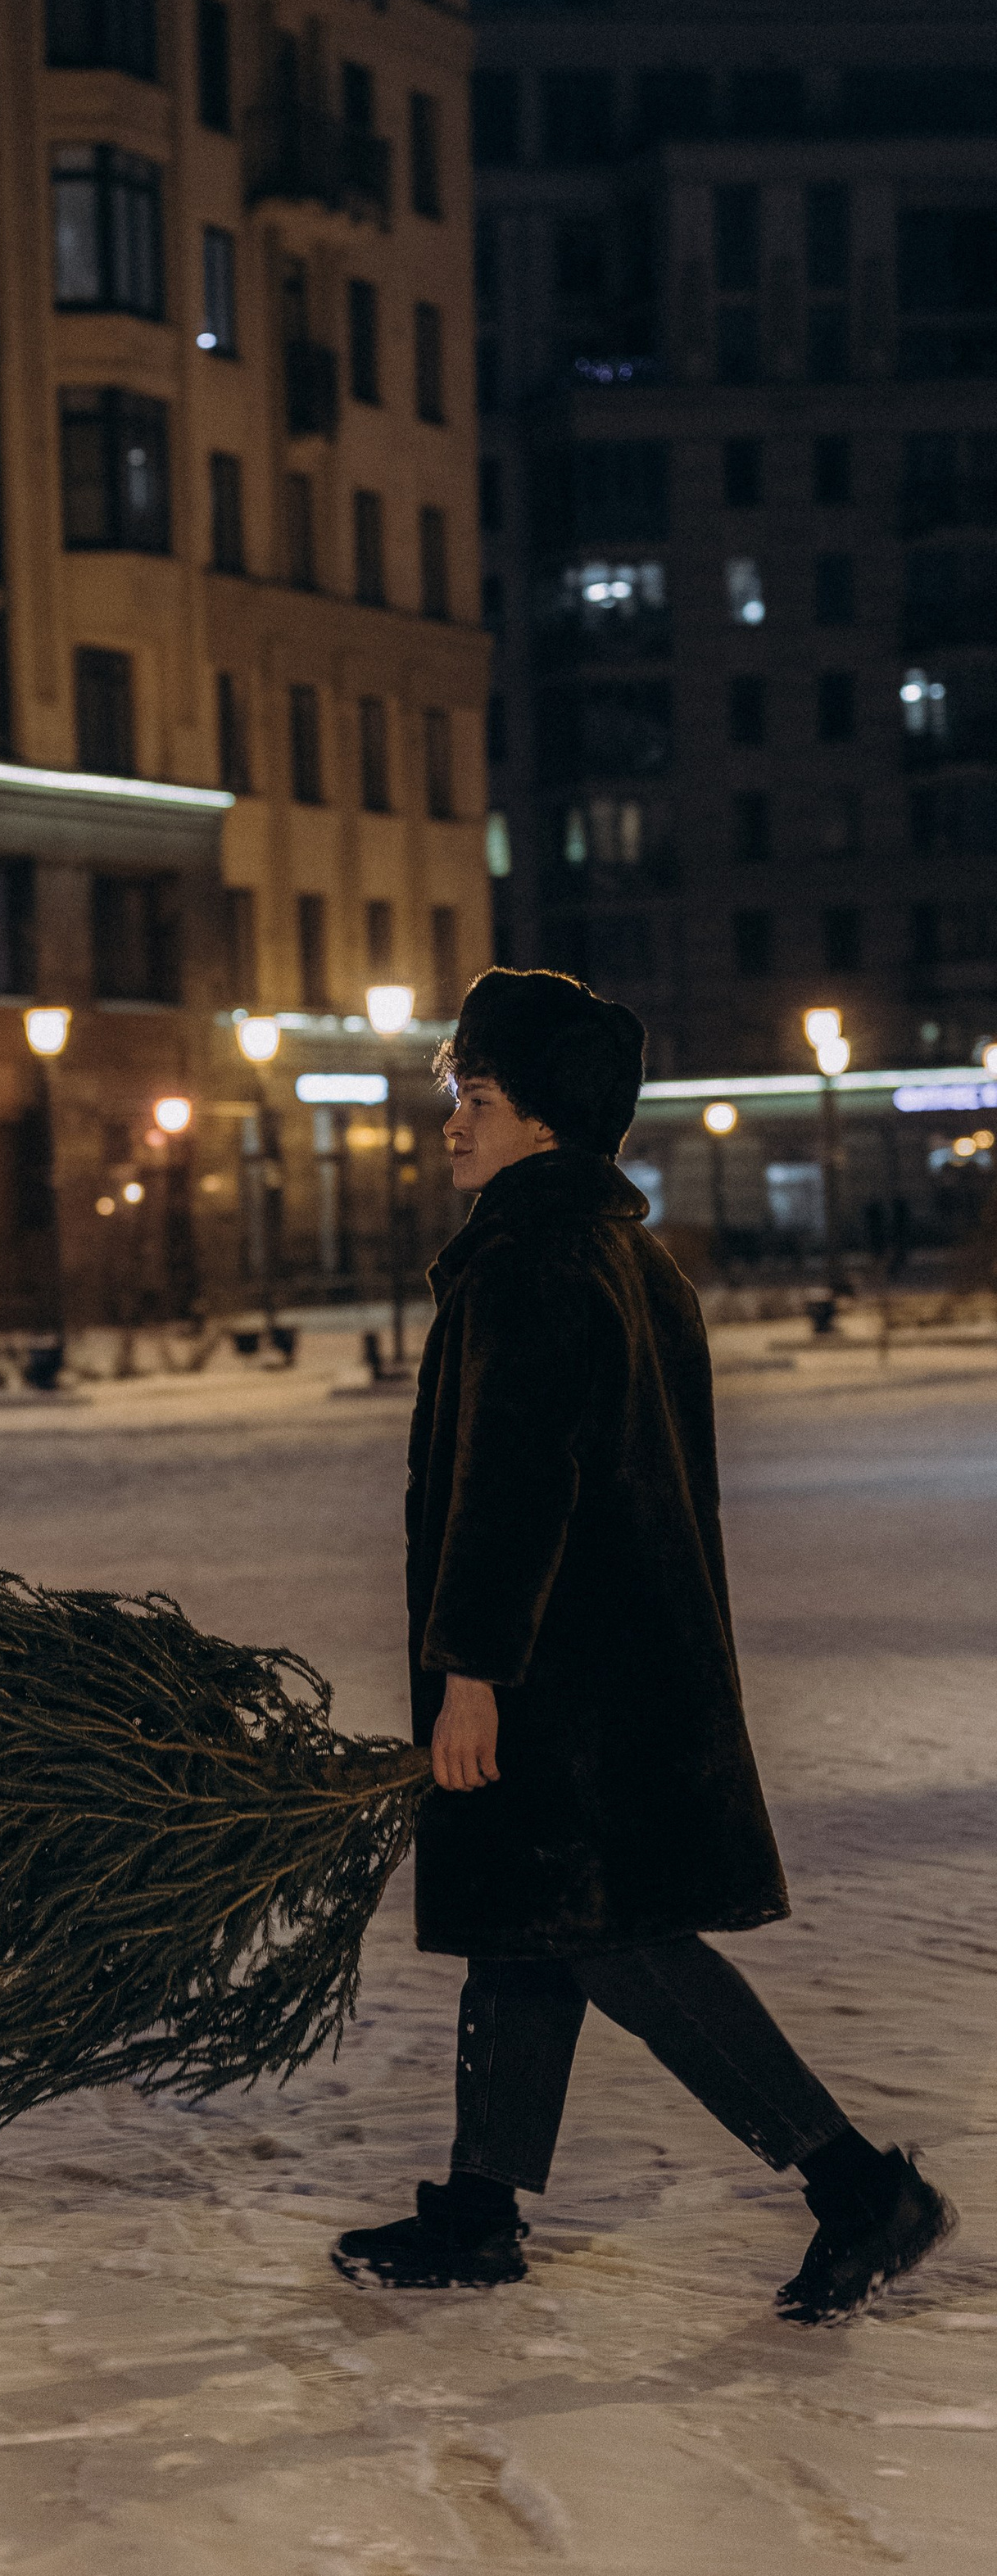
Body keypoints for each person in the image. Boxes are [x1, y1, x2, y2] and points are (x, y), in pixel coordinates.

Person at [333, 968, 954, 2322]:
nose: (450, 1122)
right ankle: (480, 2208)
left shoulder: (532, 1262)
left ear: (541, 1119)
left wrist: (472, 1673)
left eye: (473, 1098)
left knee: (620, 1945)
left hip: (568, 1686)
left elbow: (516, 1489)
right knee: (526, 1931)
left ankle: (859, 2188)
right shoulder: (627, 1254)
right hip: (630, 1670)